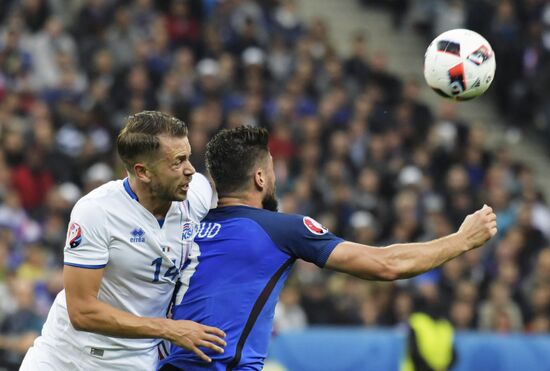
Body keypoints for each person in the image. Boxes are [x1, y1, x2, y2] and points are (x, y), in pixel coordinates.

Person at [158, 126, 498, 371]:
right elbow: (386, 265)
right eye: (272, 170)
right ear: (260, 178)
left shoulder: (186, 229)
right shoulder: (280, 228)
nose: (274, 179)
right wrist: (462, 239)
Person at [20, 111, 226, 371]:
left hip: (132, 362)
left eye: (188, 157)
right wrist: (170, 329)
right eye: (178, 161)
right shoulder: (97, 211)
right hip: (64, 356)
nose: (190, 170)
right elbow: (82, 312)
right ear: (143, 172)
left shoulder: (195, 193)